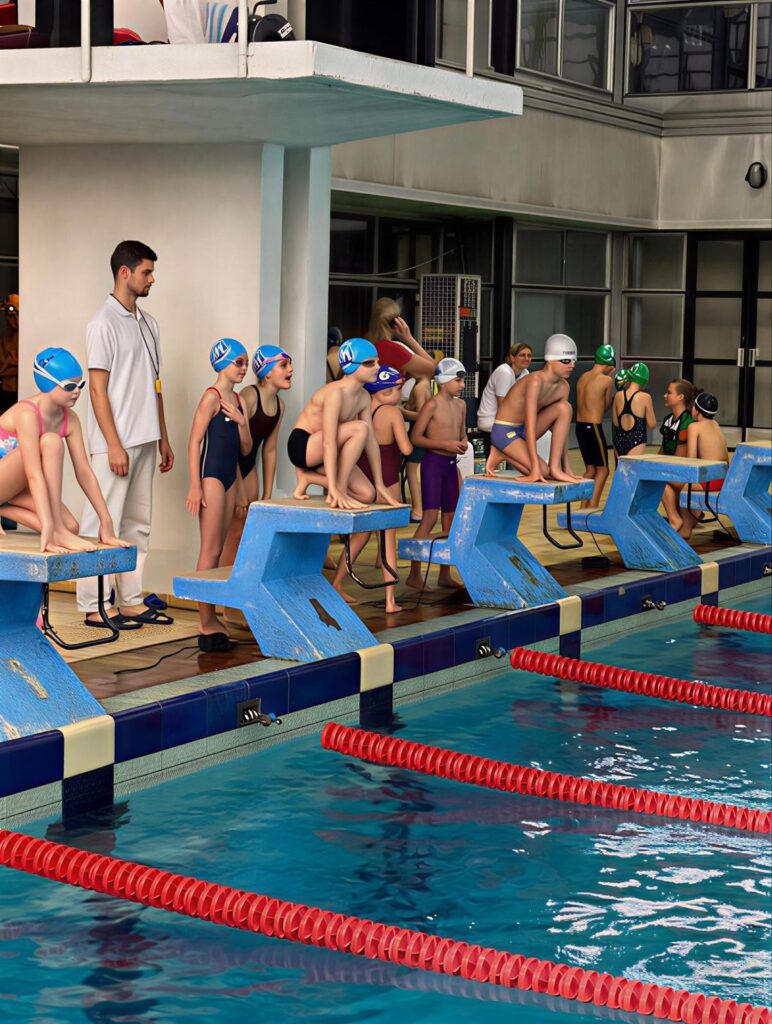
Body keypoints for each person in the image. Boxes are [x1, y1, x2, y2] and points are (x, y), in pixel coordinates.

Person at [76, 240, 175, 630]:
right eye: (147, 272)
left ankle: (131, 600)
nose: (152, 279)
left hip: (146, 439)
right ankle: (93, 604)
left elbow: (156, 386)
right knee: (101, 524)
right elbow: (97, 390)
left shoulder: (150, 324)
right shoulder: (102, 323)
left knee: (137, 526)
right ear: (125, 272)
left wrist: (163, 437)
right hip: (114, 444)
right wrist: (113, 444)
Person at [0, 347, 127, 556]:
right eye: (69, 386)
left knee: (71, 527)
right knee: (51, 441)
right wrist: (50, 525)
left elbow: (84, 472)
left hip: (15, 488)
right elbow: (34, 474)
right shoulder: (27, 414)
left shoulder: (70, 419)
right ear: (47, 384)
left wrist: (106, 520)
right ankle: (56, 529)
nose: (76, 391)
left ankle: (4, 511)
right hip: (8, 480)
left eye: (80, 385)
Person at [186, 339, 253, 650]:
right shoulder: (211, 397)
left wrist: (241, 422)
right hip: (212, 478)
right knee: (210, 550)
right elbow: (194, 442)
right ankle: (205, 620)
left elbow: (246, 448)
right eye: (238, 362)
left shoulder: (238, 400)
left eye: (246, 363)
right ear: (222, 363)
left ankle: (212, 617)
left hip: (230, 479)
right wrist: (195, 485)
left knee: (222, 547)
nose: (244, 368)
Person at [332, 366, 412, 613]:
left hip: (363, 477)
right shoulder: (392, 413)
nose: (400, 395)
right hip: (387, 479)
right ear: (386, 392)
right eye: (397, 390)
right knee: (388, 539)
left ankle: (337, 582)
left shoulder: (361, 410)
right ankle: (390, 600)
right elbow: (406, 449)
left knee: (362, 534)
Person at [288, 337, 400, 510]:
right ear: (350, 366)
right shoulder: (335, 394)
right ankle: (337, 489)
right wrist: (334, 488)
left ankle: (308, 478)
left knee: (367, 494)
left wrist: (380, 483)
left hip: (326, 450)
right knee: (360, 428)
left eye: (378, 361)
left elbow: (371, 442)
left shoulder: (363, 396)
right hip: (304, 446)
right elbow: (328, 441)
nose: (377, 367)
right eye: (369, 363)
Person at [220, 344, 292, 569]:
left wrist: (268, 493)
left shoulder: (280, 405)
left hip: (249, 466)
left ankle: (237, 579)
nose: (290, 369)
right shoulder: (249, 396)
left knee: (246, 526)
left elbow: (269, 449)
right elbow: (231, 444)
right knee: (234, 529)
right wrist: (239, 488)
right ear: (267, 373)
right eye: (284, 365)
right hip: (230, 464)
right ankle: (221, 579)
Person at [484, 334, 583, 484]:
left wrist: (566, 468)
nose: (572, 365)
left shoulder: (564, 387)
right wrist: (535, 469)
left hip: (523, 430)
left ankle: (555, 467)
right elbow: (530, 426)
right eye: (565, 361)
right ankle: (501, 451)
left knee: (565, 408)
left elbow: (560, 430)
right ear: (549, 361)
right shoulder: (535, 380)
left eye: (574, 361)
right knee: (543, 472)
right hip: (505, 431)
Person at [405, 358, 467, 591]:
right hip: (433, 464)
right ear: (444, 381)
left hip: (451, 465)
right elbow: (416, 438)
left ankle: (444, 573)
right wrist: (445, 444)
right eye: (458, 381)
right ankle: (414, 574)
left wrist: (462, 442)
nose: (462, 385)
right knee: (430, 518)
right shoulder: (431, 405)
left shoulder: (461, 405)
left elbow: (462, 433)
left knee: (450, 519)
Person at [678, 392, 730, 540]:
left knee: (672, 485)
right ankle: (692, 518)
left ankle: (683, 526)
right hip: (723, 478)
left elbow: (691, 460)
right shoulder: (715, 424)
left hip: (709, 481)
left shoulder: (694, 427)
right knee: (685, 483)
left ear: (696, 409)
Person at [575, 344, 616, 508]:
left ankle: (581, 508)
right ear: (609, 364)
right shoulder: (606, 380)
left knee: (590, 470)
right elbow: (604, 406)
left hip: (579, 427)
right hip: (593, 428)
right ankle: (591, 508)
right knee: (603, 471)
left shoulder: (583, 377)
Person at [364, 297, 435, 381]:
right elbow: (435, 369)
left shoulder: (365, 345)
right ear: (397, 322)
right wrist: (409, 338)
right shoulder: (393, 349)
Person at [476, 343, 533, 436]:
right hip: (491, 421)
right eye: (522, 355)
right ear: (512, 358)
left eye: (529, 356)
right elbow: (503, 406)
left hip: (509, 420)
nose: (527, 358)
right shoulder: (504, 372)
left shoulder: (525, 373)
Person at [401, 371, 432, 521]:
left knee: (411, 470)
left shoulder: (420, 387)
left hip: (419, 432)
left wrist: (401, 411)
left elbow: (421, 415)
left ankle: (418, 510)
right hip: (423, 432)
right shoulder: (425, 385)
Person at [612, 362, 656, 459]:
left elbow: (615, 422)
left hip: (619, 440)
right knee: (633, 468)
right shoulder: (645, 397)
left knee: (622, 468)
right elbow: (652, 424)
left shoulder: (618, 395)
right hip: (636, 442)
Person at [660, 379, 697, 457]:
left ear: (680, 397)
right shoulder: (667, 419)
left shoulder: (687, 423)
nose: (665, 395)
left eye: (669, 393)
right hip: (666, 462)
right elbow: (663, 450)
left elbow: (679, 458)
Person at [0, 293, 19, 414]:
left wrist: (9, 363)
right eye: (9, 314)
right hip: (5, 391)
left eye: (17, 313)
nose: (14, 318)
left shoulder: (26, 340)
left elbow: (24, 367)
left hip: (21, 391)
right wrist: (9, 364)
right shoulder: (3, 341)